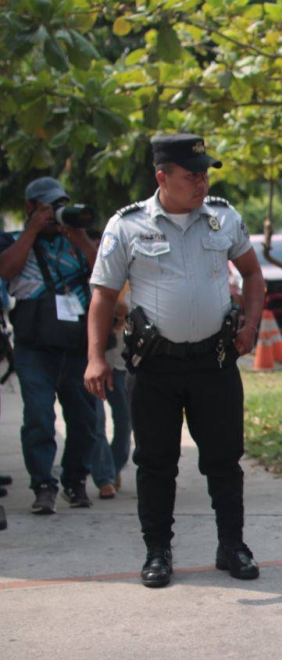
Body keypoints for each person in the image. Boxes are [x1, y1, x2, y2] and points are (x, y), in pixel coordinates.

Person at [85, 133, 265, 589]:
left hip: (214, 361)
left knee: (224, 461)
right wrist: (94, 358)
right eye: (192, 175)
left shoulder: (223, 219)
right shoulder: (126, 226)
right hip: (155, 368)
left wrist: (250, 329)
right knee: (156, 463)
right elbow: (103, 296)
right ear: (162, 177)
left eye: (205, 173)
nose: (202, 182)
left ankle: (232, 546)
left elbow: (252, 273)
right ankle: (157, 552)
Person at [0, 177, 100, 514]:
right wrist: (30, 231)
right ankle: (43, 484)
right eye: (48, 208)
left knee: (84, 418)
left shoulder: (75, 240)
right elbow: (5, 270)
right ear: (30, 208)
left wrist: (81, 237)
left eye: (59, 206)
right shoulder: (14, 240)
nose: (55, 214)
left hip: (76, 344)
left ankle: (75, 481)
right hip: (35, 345)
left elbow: (105, 273)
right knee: (39, 416)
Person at [88, 292, 132, 498]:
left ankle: (115, 466)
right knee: (96, 420)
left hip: (124, 364)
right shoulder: (91, 276)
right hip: (96, 362)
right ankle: (104, 476)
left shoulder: (138, 276)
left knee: (125, 420)